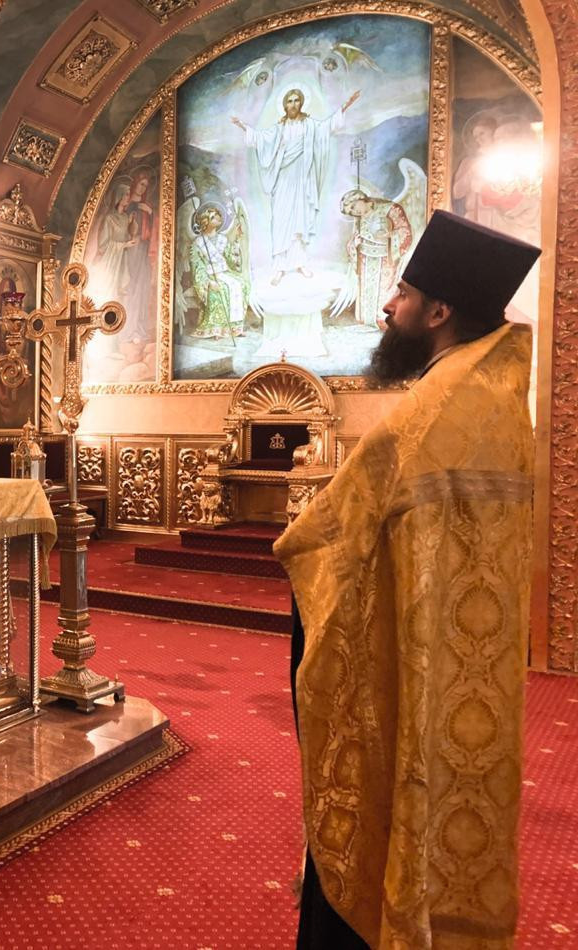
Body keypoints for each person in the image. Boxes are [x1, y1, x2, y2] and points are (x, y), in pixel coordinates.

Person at [273, 210, 540, 948]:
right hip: (470, 662)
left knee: (389, 782)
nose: (388, 307)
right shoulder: (493, 397)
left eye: (402, 293)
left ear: (439, 310)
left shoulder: (428, 409)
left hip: (405, 650)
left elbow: (325, 540)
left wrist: (296, 548)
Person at [233, 88, 360, 285]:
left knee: (299, 219)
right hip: (283, 177)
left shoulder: (309, 125)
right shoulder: (279, 128)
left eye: (296, 100)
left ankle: (300, 263)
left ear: (301, 103)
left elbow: (327, 126)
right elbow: (260, 138)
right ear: (285, 105)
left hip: (302, 178)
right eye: (290, 101)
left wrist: (345, 106)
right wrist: (243, 126)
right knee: (281, 220)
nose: (293, 104)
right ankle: (280, 267)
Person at [340, 188, 413, 326]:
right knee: (367, 293)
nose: (354, 212)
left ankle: (384, 321)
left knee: (385, 291)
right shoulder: (359, 219)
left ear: (360, 198)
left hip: (386, 259)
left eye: (353, 207)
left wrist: (390, 236)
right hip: (365, 261)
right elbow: (354, 239)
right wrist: (354, 244)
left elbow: (405, 231)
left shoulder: (390, 209)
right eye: (351, 212)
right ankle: (368, 320)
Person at [188, 203, 249, 338]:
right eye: (214, 217)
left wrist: (237, 239)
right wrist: (208, 282)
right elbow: (197, 266)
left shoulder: (223, 239)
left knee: (242, 284)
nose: (219, 218)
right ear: (206, 221)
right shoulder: (198, 243)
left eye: (219, 216)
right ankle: (217, 329)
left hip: (225, 273)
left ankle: (235, 328)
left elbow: (231, 260)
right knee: (220, 288)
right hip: (209, 276)